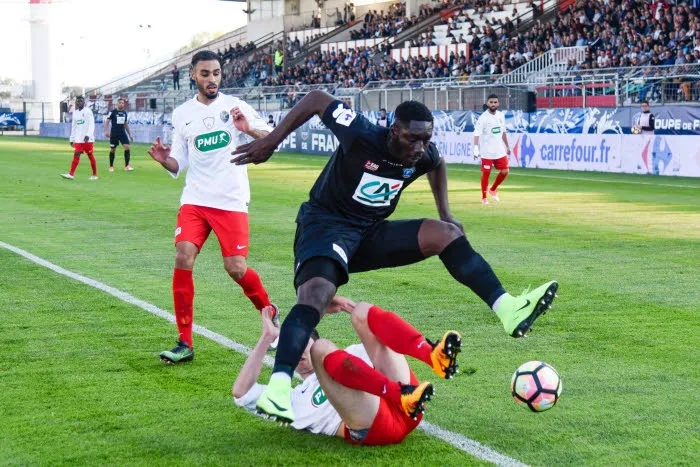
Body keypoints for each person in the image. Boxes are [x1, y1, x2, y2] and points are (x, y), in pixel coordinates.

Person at [231, 90, 558, 422]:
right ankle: (278, 387)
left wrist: (445, 211)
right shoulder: (360, 134)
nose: (419, 148)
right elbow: (316, 99)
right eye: (412, 139)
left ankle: (507, 309)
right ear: (393, 132)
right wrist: (270, 141)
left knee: (447, 235)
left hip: (370, 233)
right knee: (316, 295)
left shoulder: (422, 154)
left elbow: (437, 162)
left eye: (425, 140)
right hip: (325, 227)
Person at [146, 50, 278, 364]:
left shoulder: (235, 107)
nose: (212, 79)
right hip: (195, 200)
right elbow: (179, 162)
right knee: (183, 255)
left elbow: (271, 138)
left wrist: (247, 129)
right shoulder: (182, 114)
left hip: (230, 200)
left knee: (235, 268)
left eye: (216, 73)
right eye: (205, 74)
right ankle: (184, 341)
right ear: (194, 75)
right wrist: (165, 161)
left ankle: (268, 311)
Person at [233, 297, 461, 444]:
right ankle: (400, 393)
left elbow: (377, 329)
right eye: (291, 350)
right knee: (323, 350)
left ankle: (432, 354)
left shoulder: (352, 353)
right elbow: (241, 393)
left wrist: (343, 306)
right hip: (373, 426)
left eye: (303, 345)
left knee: (362, 312)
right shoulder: (292, 398)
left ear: (313, 337)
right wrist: (267, 339)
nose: (299, 353)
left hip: (409, 407)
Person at [473, 94, 511, 205]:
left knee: (505, 171)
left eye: (495, 102)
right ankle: (484, 197)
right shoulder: (483, 118)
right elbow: (476, 134)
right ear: (487, 103)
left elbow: (503, 131)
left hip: (499, 150)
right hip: (487, 152)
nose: (493, 104)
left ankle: (493, 189)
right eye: (491, 102)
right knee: (486, 174)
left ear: (498, 103)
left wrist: (507, 146)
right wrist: (476, 148)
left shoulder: (501, 115)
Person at [61, 96, 98, 180]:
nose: (79, 103)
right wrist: (72, 139)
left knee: (90, 155)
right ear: (76, 103)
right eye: (77, 101)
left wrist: (88, 135)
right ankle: (71, 174)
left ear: (84, 102)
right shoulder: (75, 113)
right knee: (76, 154)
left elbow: (91, 124)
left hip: (88, 139)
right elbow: (74, 127)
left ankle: (95, 175)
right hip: (78, 139)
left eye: (81, 101)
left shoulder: (88, 111)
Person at [105, 98, 135, 172]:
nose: (121, 104)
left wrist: (129, 134)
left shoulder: (124, 113)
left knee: (127, 147)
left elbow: (125, 123)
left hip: (122, 133)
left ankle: (127, 166)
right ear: (117, 104)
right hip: (114, 133)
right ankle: (111, 166)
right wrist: (106, 131)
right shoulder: (112, 112)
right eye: (120, 103)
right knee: (113, 150)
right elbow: (107, 122)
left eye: (122, 103)